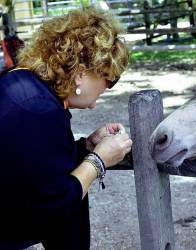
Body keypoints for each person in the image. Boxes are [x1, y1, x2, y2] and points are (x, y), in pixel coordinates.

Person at [0, 7, 132, 250]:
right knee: (74, 190)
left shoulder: (23, 83)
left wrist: (85, 147)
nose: (109, 86)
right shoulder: (40, 109)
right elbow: (56, 201)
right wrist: (98, 161)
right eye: (108, 77)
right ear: (81, 74)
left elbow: (33, 164)